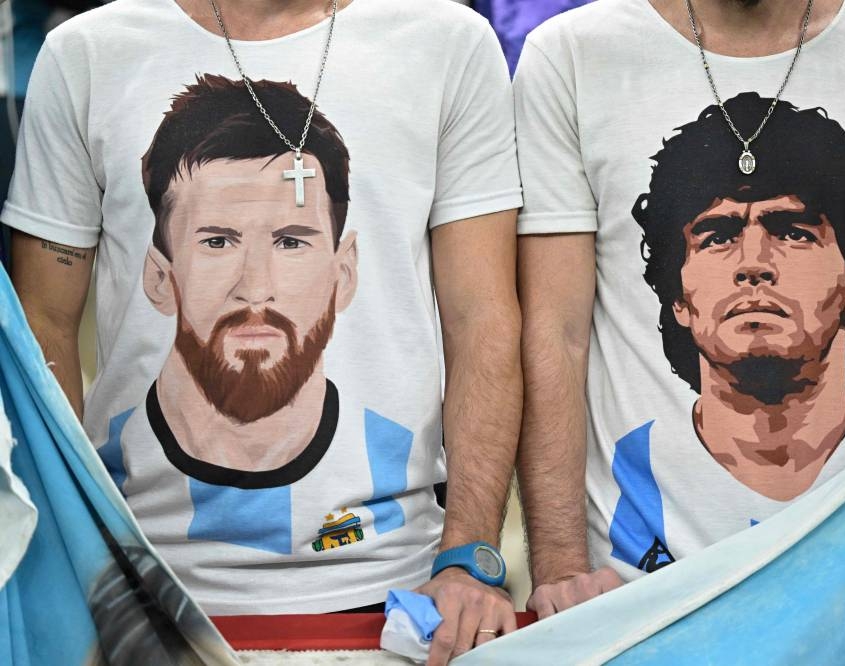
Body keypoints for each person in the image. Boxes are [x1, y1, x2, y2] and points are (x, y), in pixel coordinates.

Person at [3, 0, 523, 662]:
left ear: (344, 270)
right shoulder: (88, 53)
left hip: (401, 603)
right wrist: (79, 563)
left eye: (292, 241)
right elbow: (39, 322)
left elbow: (482, 319)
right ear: (158, 276)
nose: (256, 287)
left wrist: (467, 557)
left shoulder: (446, 42)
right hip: (142, 600)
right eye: (217, 241)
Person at [514, 0, 845, 617]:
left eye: (795, 231)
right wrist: (561, 570)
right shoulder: (571, 53)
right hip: (636, 606)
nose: (754, 263)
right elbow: (555, 334)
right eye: (715, 235)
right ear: (676, 296)